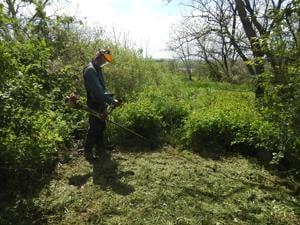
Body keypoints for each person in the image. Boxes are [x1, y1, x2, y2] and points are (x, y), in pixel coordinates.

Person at [83, 49, 120, 162]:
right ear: (98, 57)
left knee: (101, 126)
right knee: (94, 128)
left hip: (101, 102)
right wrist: (112, 101)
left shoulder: (97, 69)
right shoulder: (90, 70)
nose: (104, 64)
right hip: (94, 103)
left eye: (105, 62)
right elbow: (98, 92)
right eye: (103, 61)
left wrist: (108, 97)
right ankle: (88, 152)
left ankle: (100, 149)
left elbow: (101, 88)